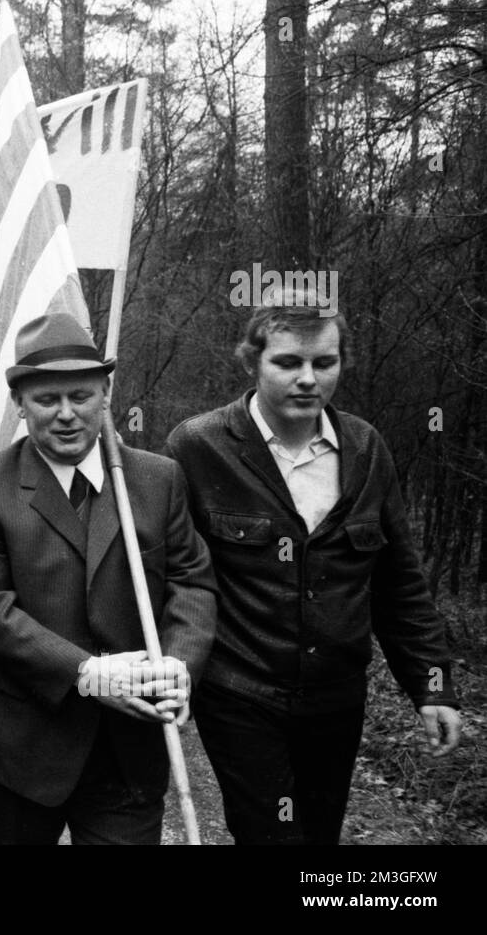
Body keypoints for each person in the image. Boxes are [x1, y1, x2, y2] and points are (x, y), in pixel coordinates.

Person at [162, 296, 461, 845]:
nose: (307, 379)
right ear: (252, 362)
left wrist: (432, 686)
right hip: (241, 690)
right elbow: (176, 574)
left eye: (324, 363)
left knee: (318, 837)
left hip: (336, 695)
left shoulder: (366, 448)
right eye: (287, 363)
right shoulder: (198, 446)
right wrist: (172, 668)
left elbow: (399, 581)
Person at [0, 313, 217, 845]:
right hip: (23, 747)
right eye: (47, 400)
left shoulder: (157, 479)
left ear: (106, 393)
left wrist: (180, 663)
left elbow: (192, 582)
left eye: (81, 395)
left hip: (129, 751)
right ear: (20, 403)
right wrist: (87, 673)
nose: (66, 414)